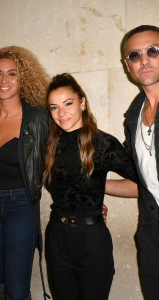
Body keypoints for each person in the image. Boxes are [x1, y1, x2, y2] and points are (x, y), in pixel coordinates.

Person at [43, 73, 137, 300]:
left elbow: (139, 186)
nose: (61, 113)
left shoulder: (103, 143)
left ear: (82, 102)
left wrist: (98, 185)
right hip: (57, 237)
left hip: (91, 241)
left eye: (68, 103)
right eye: (54, 107)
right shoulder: (48, 145)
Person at [0, 46, 50, 300]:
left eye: (12, 74)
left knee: (16, 291)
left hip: (20, 207)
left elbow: (56, 163)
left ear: (23, 78)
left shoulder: (38, 118)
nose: (4, 81)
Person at [106, 24, 159, 300]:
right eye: (135, 55)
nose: (145, 60)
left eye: (153, 50)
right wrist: (93, 184)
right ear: (127, 66)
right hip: (152, 235)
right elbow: (142, 184)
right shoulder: (134, 116)